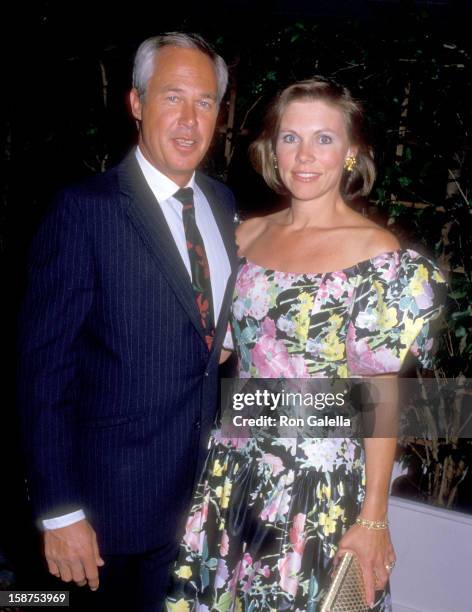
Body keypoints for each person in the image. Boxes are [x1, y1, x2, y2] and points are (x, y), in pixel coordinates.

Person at [166, 78, 447, 611]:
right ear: (271, 150)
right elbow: (214, 352)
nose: (304, 156)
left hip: (319, 486)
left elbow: (379, 395)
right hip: (234, 471)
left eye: (324, 139)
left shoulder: (376, 255)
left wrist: (374, 518)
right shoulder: (242, 235)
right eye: (290, 138)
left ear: (351, 153)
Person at [17, 32, 237, 611]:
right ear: (136, 104)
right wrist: (60, 511)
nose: (190, 119)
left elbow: (212, 333)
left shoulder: (223, 205)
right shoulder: (84, 211)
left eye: (206, 101)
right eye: (173, 97)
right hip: (106, 522)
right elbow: (42, 374)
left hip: (200, 508)